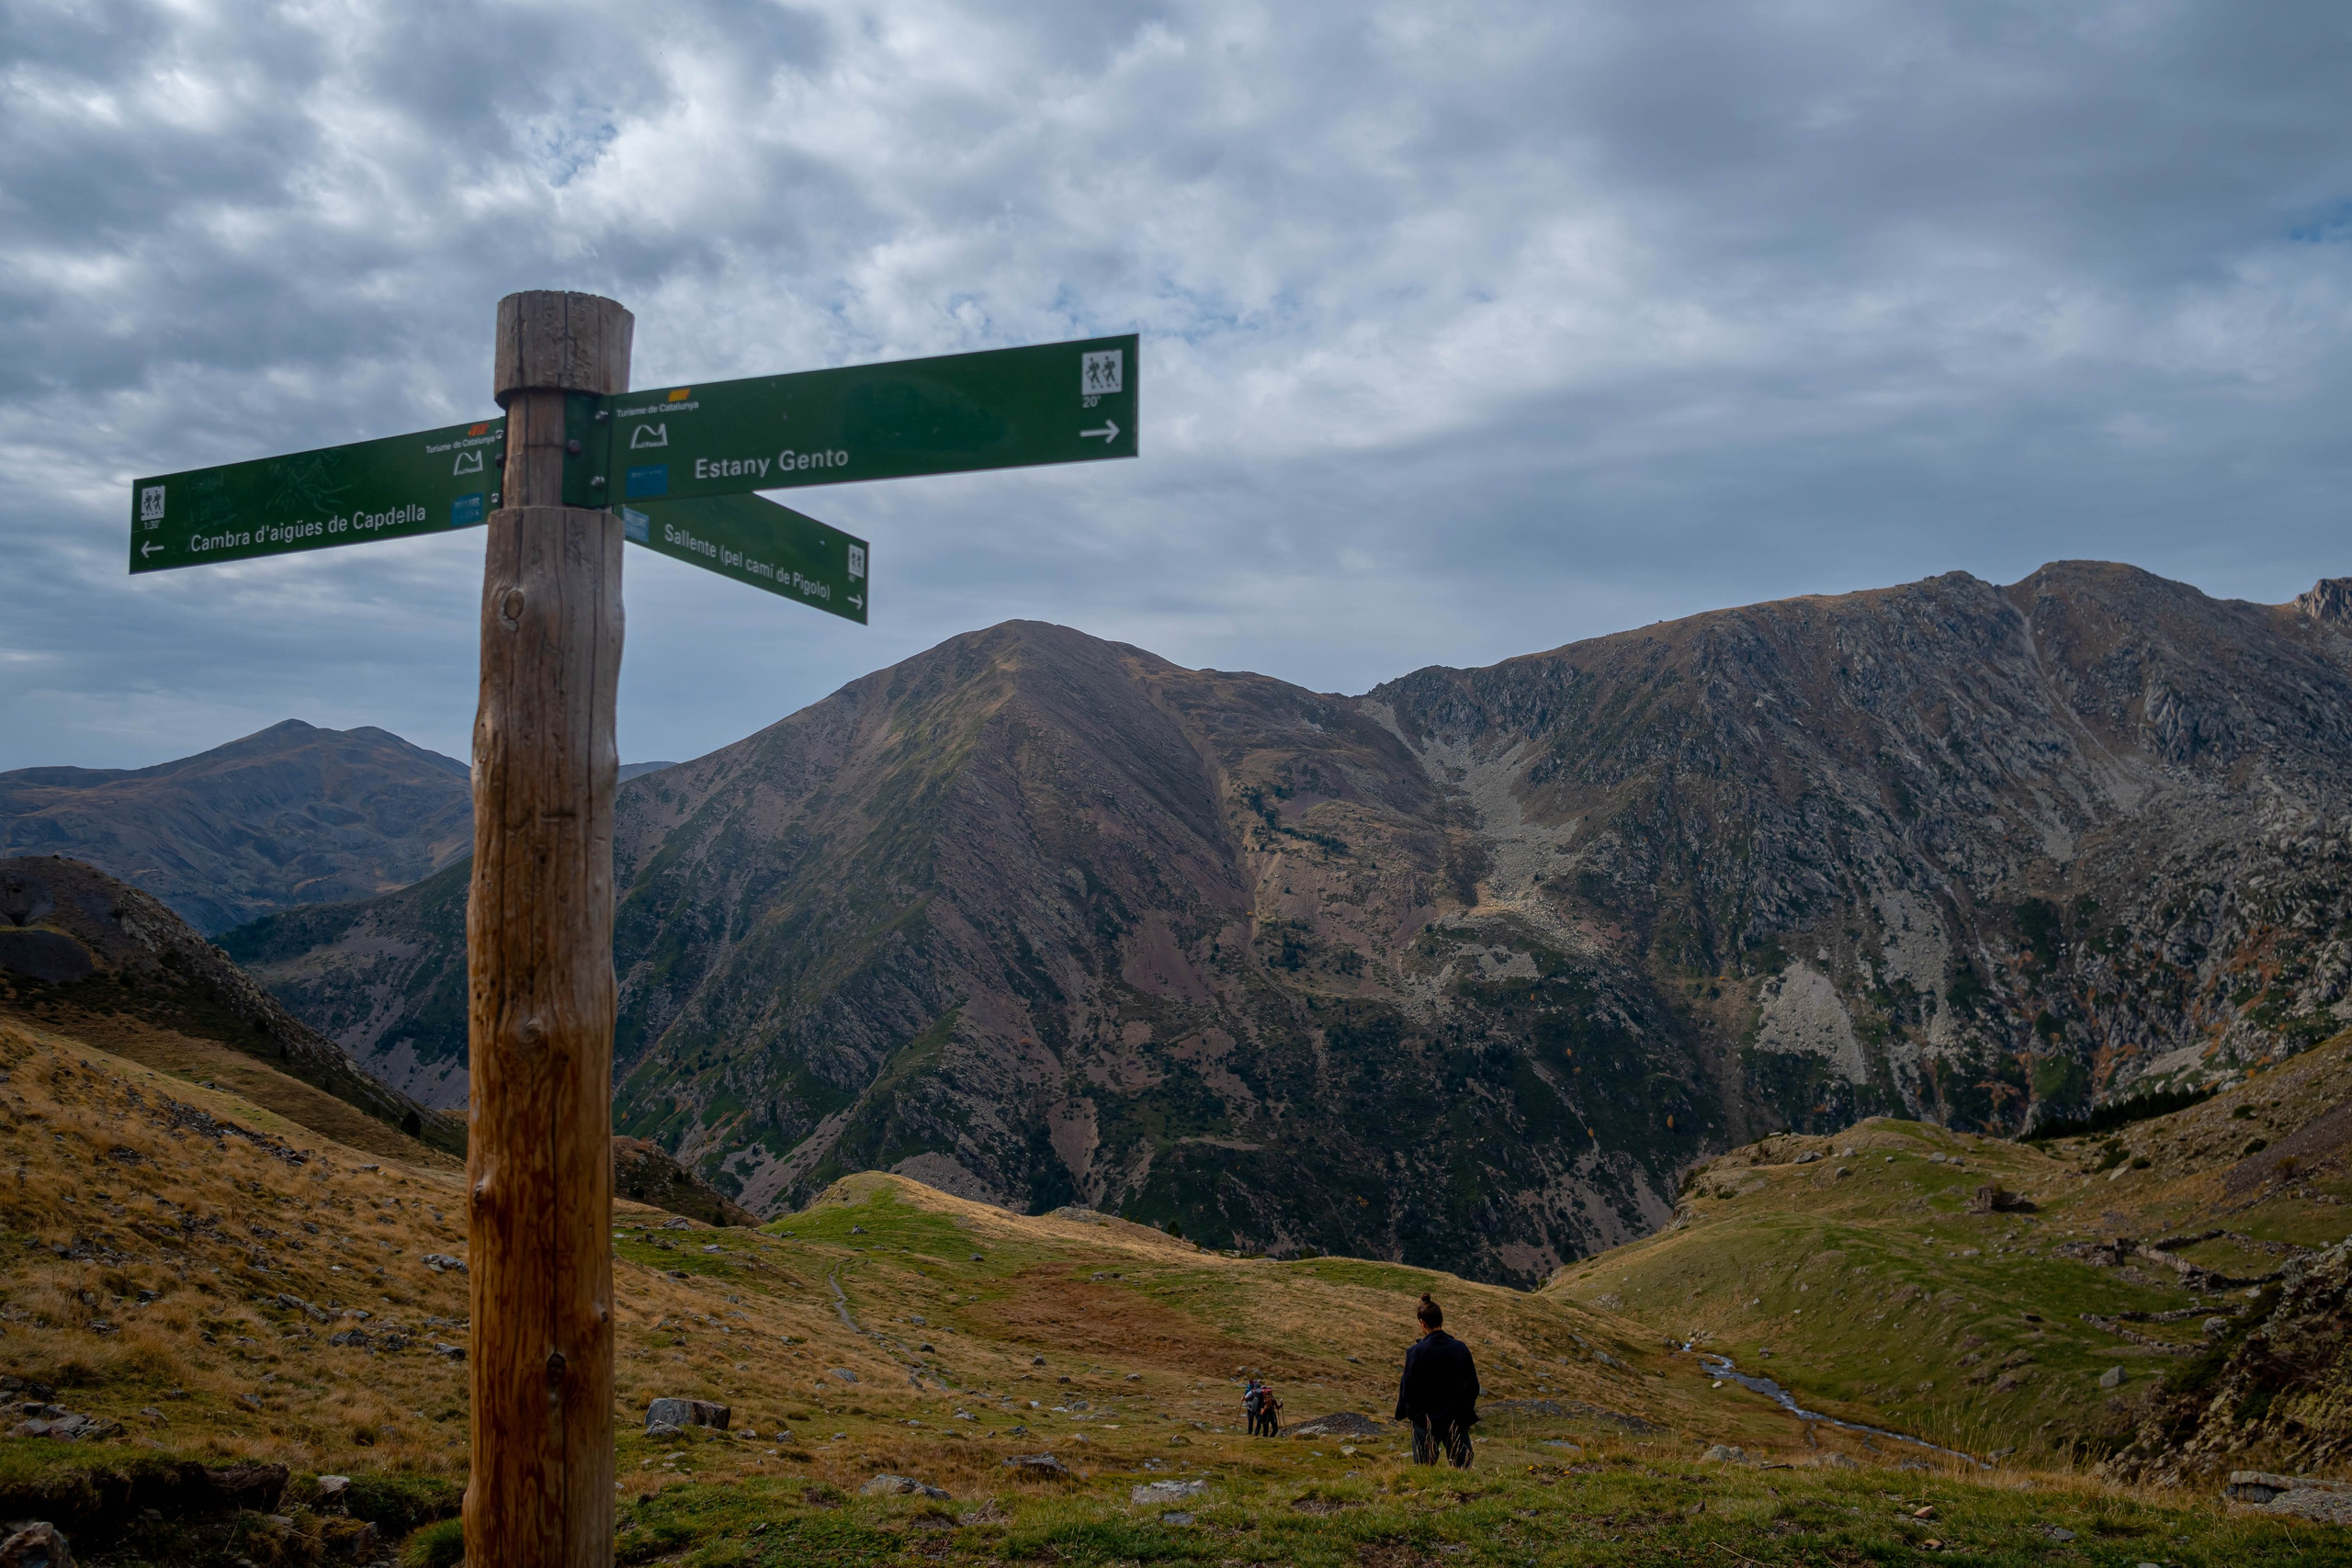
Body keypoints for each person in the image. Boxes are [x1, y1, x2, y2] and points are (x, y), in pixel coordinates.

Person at [1394, 1292, 1478, 1467]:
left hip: (1426, 1421)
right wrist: (1464, 1410)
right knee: (1463, 1468)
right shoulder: (1460, 1348)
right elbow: (1473, 1386)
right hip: (1456, 1417)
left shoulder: (1415, 1352)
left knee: (1424, 1469)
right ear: (1441, 1320)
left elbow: (1408, 1389)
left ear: (1422, 1323)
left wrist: (1415, 1415)